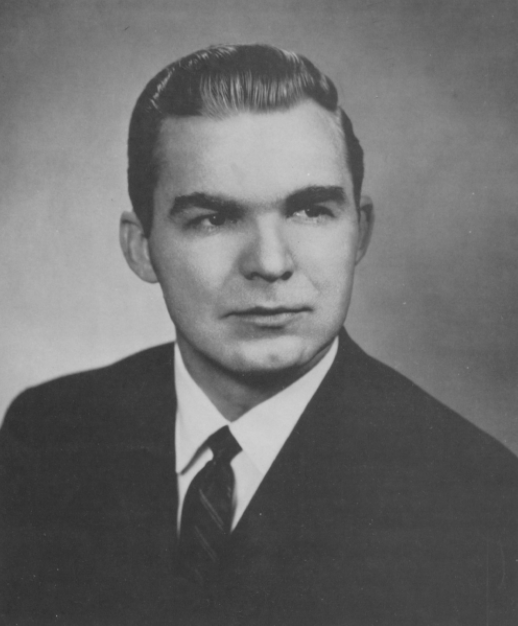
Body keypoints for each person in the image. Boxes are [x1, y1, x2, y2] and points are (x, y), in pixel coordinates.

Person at [1, 44, 517, 626]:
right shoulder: (48, 434)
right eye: (213, 219)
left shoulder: (478, 500)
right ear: (141, 247)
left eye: (310, 211)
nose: (271, 264)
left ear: (360, 231)